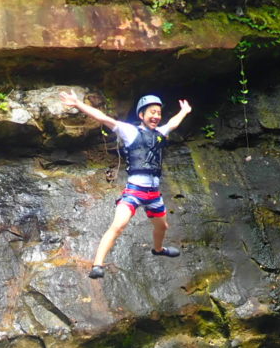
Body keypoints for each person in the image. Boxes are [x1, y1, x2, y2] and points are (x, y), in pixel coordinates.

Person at [59, 90, 192, 278]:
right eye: (151, 112)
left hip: (153, 193)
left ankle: (158, 249)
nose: (155, 116)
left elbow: (172, 123)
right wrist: (78, 104)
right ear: (141, 115)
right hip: (135, 191)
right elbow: (103, 118)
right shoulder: (130, 131)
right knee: (118, 225)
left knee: (162, 227)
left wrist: (184, 111)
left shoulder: (160, 133)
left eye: (158, 113)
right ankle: (97, 265)